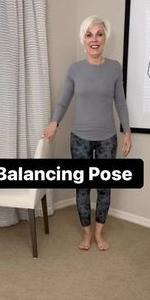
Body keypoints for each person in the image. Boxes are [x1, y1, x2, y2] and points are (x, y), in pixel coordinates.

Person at [43, 15, 132, 251]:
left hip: (108, 139)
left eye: (99, 34)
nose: (94, 39)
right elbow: (64, 101)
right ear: (83, 39)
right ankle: (86, 233)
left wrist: (128, 132)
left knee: (104, 187)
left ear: (105, 38)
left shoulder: (114, 68)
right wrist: (54, 122)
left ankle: (99, 234)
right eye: (89, 34)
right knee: (83, 187)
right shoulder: (75, 69)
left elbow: (120, 103)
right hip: (80, 139)